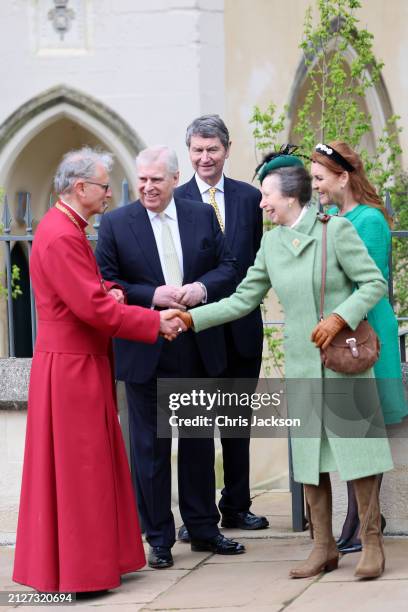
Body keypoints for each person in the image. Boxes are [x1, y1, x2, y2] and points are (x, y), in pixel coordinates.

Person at [175, 149, 394, 580]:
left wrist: (338, 316)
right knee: (311, 460)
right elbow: (242, 299)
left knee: (359, 454)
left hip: (344, 361)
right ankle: (323, 548)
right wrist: (190, 319)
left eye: (266, 196)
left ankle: (371, 543)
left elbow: (374, 283)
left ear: (291, 196)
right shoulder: (272, 244)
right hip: (302, 363)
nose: (261, 203)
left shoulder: (339, 231)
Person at [12, 147, 185, 593]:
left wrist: (111, 290)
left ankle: (99, 560)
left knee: (92, 466)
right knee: (80, 471)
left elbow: (88, 289)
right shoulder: (62, 233)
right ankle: (80, 572)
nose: (111, 193)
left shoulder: (64, 226)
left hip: (76, 361)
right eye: (105, 185)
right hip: (71, 366)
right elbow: (90, 308)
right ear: (80, 188)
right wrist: (151, 321)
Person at [95, 145, 245, 570]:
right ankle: (158, 537)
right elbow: (106, 280)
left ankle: (202, 529)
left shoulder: (200, 215)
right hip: (145, 351)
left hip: (196, 346)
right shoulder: (116, 223)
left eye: (155, 179)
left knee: (198, 445)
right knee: (150, 449)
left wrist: (200, 290)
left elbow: (229, 266)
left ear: (175, 179)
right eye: (141, 179)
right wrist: (152, 296)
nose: (146, 187)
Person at [311, 140, 408, 554]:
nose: (314, 186)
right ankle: (360, 520)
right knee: (348, 429)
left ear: (342, 178)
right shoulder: (328, 217)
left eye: (319, 179)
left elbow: (363, 283)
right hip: (337, 331)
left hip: (364, 333)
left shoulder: (370, 220)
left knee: (363, 428)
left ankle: (362, 521)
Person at [175, 114, 267, 541]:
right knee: (196, 428)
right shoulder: (175, 202)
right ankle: (199, 514)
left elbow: (257, 260)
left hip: (243, 325)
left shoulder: (251, 199)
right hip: (199, 329)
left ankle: (237, 506)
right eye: (197, 150)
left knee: (237, 422)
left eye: (213, 149)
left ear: (227, 150)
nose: (205, 157)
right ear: (189, 152)